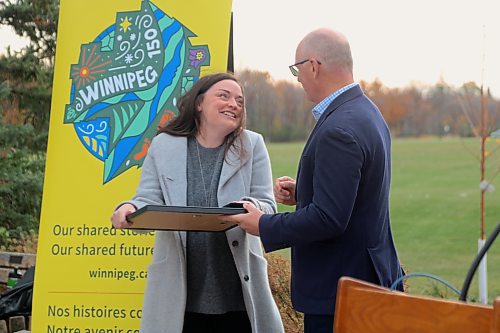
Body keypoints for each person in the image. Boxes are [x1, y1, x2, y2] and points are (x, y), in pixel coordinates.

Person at [223, 28, 404, 333]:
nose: (298, 78)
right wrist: (306, 190)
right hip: (366, 282)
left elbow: (329, 219)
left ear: (314, 66)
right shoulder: (366, 112)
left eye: (297, 70)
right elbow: (357, 193)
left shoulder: (339, 128)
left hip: (340, 292)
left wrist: (263, 225)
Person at [111, 72, 284, 333]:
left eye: (239, 100)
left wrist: (247, 209)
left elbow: (268, 206)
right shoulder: (163, 146)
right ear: (199, 103)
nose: (233, 104)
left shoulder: (252, 144)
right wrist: (129, 210)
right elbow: (146, 200)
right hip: (179, 297)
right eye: (223, 96)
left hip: (239, 295)